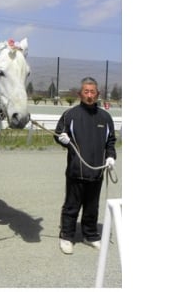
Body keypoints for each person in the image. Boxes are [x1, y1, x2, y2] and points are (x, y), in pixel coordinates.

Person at [54, 77, 116, 255]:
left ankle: (90, 235)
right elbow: (58, 134)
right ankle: (67, 236)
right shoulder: (70, 115)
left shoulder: (105, 117)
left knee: (92, 206)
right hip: (76, 170)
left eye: (92, 92)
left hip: (97, 172)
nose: (89, 95)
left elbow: (110, 141)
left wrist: (111, 157)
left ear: (98, 94)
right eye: (86, 92)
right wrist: (63, 140)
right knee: (71, 206)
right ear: (80, 94)